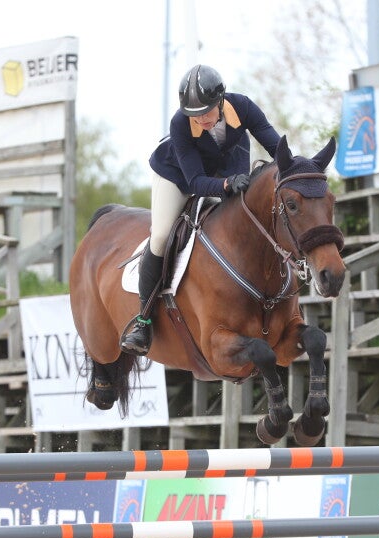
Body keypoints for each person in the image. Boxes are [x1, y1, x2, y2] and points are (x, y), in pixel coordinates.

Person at [119, 64, 284, 355]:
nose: (203, 121)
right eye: (195, 115)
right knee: (160, 236)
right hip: (177, 176)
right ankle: (143, 321)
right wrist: (226, 184)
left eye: (207, 113)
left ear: (220, 101)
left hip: (226, 163)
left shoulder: (243, 106)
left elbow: (274, 144)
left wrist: (295, 169)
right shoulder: (180, 124)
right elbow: (195, 181)